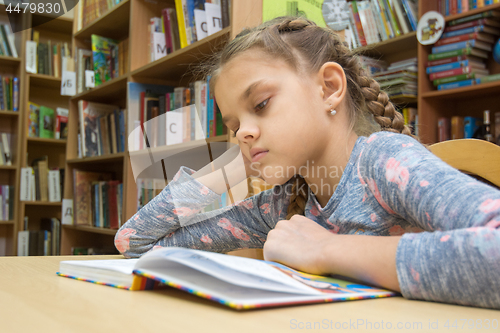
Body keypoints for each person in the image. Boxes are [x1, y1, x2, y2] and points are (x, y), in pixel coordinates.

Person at [115, 17, 500, 309]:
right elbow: (135, 245)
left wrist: (325, 250)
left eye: (261, 105)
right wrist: (230, 167)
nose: (243, 133)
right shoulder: (279, 206)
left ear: (329, 88)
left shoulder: (384, 162)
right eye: (233, 126)